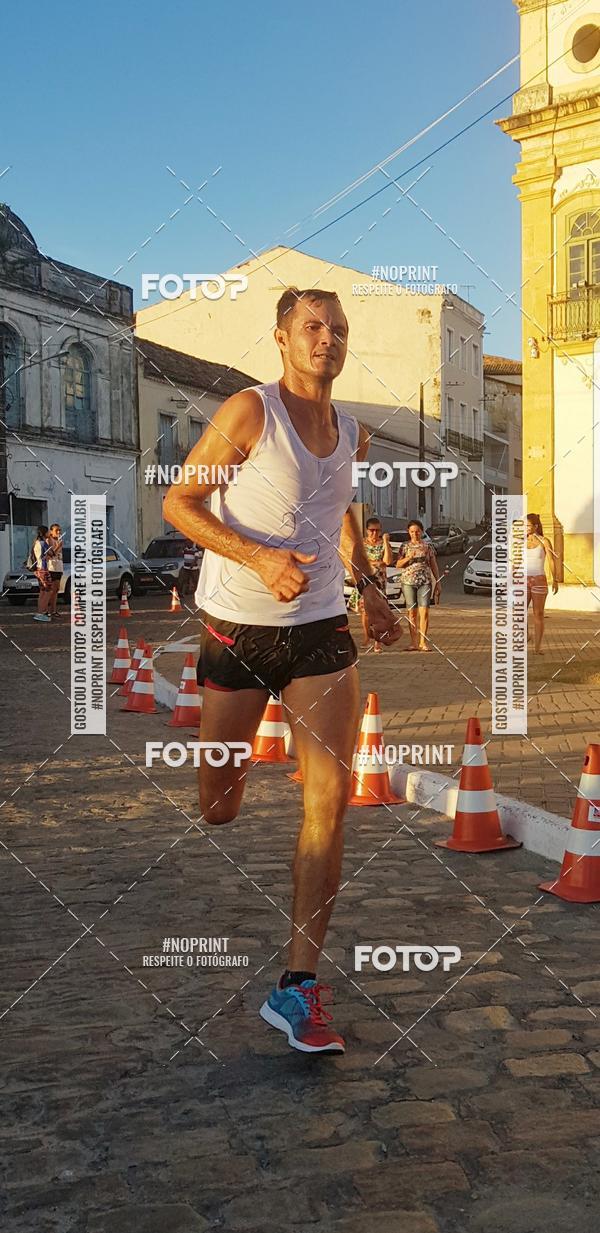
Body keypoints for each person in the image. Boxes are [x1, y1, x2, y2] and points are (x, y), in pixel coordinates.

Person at [163, 286, 401, 1054]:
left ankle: (298, 988)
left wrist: (369, 589)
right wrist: (259, 556)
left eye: (336, 328)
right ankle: (239, 753)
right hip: (237, 629)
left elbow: (338, 508)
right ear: (283, 339)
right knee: (218, 807)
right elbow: (180, 502)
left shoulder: (350, 431)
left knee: (327, 803)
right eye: (311, 326)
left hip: (320, 629)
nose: (326, 337)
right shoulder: (248, 412)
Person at [349, 517, 393, 652]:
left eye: (378, 530)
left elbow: (387, 560)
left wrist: (385, 542)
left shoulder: (383, 543)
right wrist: (374, 563)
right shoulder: (361, 544)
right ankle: (367, 637)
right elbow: (356, 561)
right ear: (367, 530)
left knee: (377, 611)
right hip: (364, 580)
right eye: (372, 530)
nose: (374, 533)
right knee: (365, 612)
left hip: (379, 582)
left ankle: (377, 641)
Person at [396, 519, 440, 651]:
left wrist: (438, 581)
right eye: (412, 532)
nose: (415, 534)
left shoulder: (427, 546)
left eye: (417, 531)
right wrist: (408, 558)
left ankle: (423, 641)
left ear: (421, 532)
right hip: (408, 582)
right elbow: (397, 564)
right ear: (408, 532)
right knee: (412, 613)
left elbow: (433, 564)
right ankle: (413, 642)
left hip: (425, 582)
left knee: (424, 611)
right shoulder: (404, 546)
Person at [526, 513, 558, 654]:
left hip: (539, 580)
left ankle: (537, 648)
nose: (525, 528)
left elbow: (551, 560)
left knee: (538, 614)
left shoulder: (545, 541)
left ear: (536, 526)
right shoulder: (520, 542)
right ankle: (527, 635)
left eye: (528, 525)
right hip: (523, 580)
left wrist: (555, 579)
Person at [32, 525, 53, 623]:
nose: (50, 533)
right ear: (45, 533)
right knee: (48, 591)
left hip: (38, 569)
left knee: (42, 591)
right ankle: (42, 612)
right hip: (44, 569)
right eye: (48, 531)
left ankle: (40, 612)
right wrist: (57, 545)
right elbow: (52, 553)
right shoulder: (43, 543)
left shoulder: (36, 543)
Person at [47, 524, 64, 618]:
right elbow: (49, 554)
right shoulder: (49, 540)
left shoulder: (59, 540)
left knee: (56, 589)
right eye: (56, 530)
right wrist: (57, 547)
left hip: (58, 567)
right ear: (51, 531)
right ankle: (48, 610)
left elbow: (60, 555)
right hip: (51, 568)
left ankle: (54, 610)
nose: (58, 532)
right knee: (51, 590)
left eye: (59, 530)